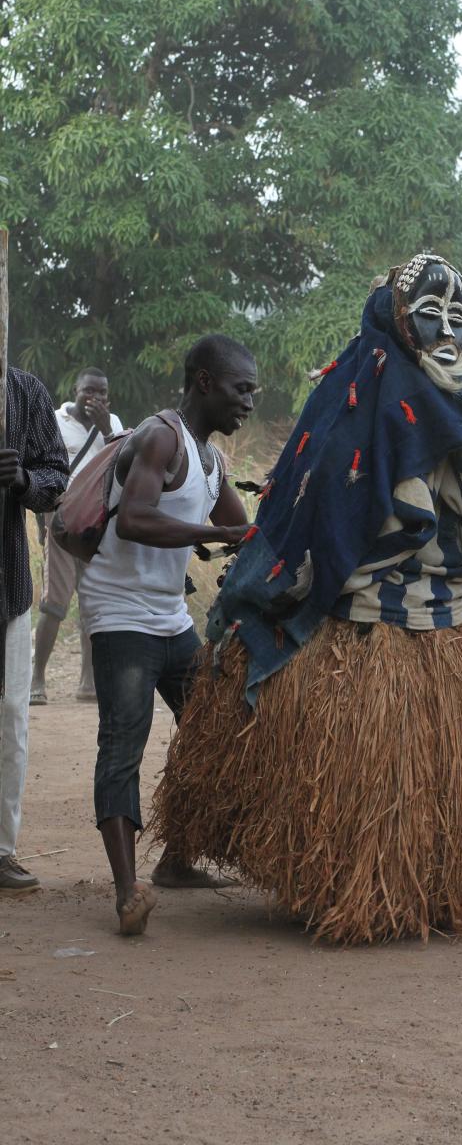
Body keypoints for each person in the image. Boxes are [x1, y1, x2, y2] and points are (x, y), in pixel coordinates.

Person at [150, 254, 462, 945]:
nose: (447, 330)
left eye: (460, 319)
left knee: (437, 770)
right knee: (358, 776)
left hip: (447, 614)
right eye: (430, 315)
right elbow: (321, 488)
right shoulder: (358, 391)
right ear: (396, 318)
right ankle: (354, 887)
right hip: (356, 619)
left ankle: (440, 882)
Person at [78, 334, 256, 935]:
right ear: (205, 381)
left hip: (169, 617)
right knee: (123, 745)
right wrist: (218, 537)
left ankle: (179, 859)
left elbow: (241, 527)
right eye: (241, 389)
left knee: (215, 730)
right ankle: (129, 892)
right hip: (121, 612)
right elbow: (133, 519)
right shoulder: (161, 437)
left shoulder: (210, 460)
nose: (249, 403)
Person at [0, 368, 68, 895]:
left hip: (8, 587)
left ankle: (1, 852)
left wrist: (24, 481)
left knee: (10, 723)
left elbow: (56, 478)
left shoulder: (24, 393)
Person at [30, 367, 123, 706]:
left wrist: (105, 427)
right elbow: (42, 465)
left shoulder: (112, 423)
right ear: (75, 390)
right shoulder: (55, 420)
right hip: (63, 519)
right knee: (55, 601)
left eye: (101, 393)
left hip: (97, 524)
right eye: (88, 391)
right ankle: (36, 679)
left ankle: (88, 682)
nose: (94, 398)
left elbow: (123, 461)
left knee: (93, 602)